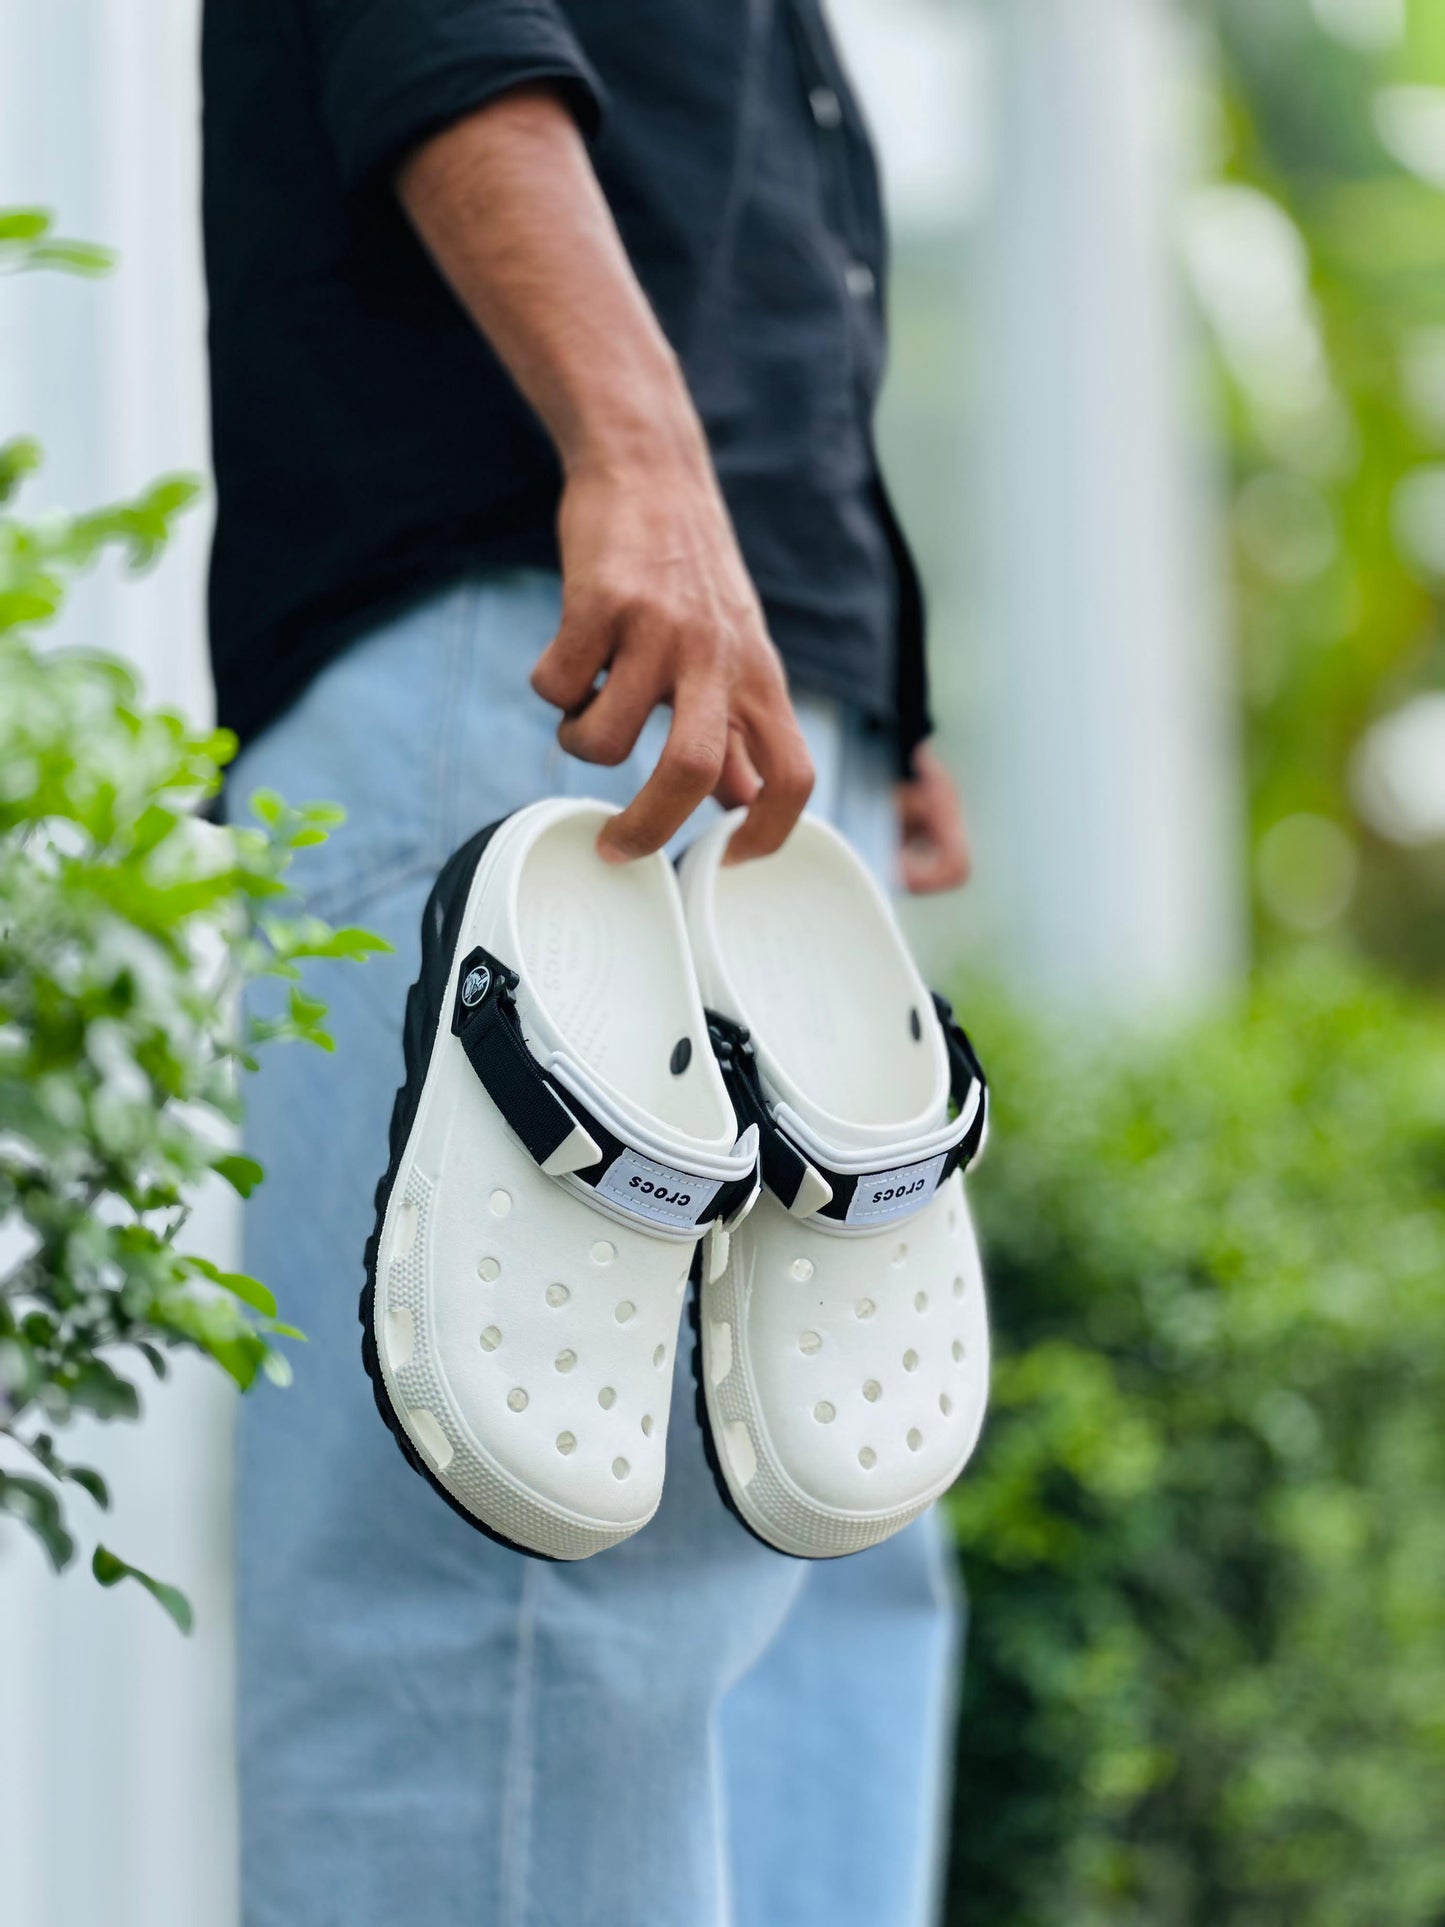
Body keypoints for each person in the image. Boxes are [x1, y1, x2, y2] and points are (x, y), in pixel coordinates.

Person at [202, 2, 970, 1921]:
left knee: (818, 1519)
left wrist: (875, 676)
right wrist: (640, 459)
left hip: (728, 679)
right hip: (547, 655)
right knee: (517, 1556)